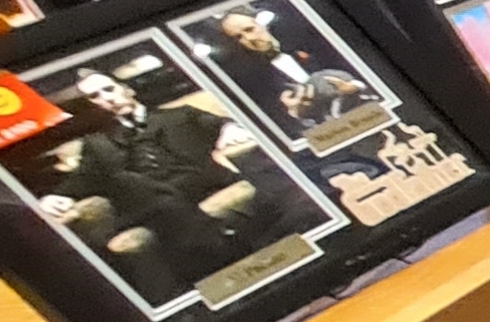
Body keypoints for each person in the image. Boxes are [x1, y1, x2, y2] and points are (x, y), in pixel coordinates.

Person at [29, 67, 296, 303]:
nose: (106, 98)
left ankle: (220, 266)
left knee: (161, 198)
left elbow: (221, 123)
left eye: (109, 89)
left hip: (197, 186)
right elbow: (79, 181)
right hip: (148, 206)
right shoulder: (97, 145)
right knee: (135, 184)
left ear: (127, 89)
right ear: (92, 106)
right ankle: (231, 252)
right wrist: (54, 197)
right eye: (95, 97)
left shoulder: (179, 115)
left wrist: (229, 128)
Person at [205, 8, 377, 139]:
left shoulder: (315, 45)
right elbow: (286, 130)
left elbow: (369, 73)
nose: (248, 39)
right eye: (238, 37)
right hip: (331, 137)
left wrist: (353, 87)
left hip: (371, 115)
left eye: (249, 29)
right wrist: (295, 113)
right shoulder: (258, 83)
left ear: (263, 23)